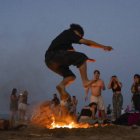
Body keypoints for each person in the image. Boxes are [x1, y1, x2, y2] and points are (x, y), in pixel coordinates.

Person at [45, 23, 113, 104]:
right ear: (76, 31)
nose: (80, 38)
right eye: (80, 36)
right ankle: (85, 81)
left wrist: (85, 59)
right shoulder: (69, 32)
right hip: (53, 55)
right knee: (82, 56)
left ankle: (61, 86)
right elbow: (87, 42)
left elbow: (73, 54)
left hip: (50, 62)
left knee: (71, 77)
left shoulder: (66, 42)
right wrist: (103, 46)